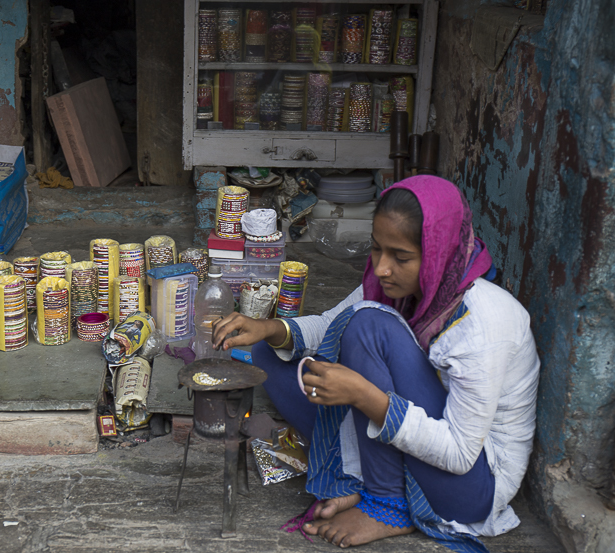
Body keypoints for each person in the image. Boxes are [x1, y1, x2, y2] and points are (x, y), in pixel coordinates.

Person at [211, 175, 540, 551]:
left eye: (400, 257)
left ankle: (387, 504)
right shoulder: (394, 282)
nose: (383, 268)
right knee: (265, 353)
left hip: (469, 485)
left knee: (368, 327)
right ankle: (360, 480)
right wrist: (268, 328)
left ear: (438, 253)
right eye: (376, 250)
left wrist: (366, 397)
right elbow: (331, 322)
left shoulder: (483, 323)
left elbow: (459, 454)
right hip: (413, 437)